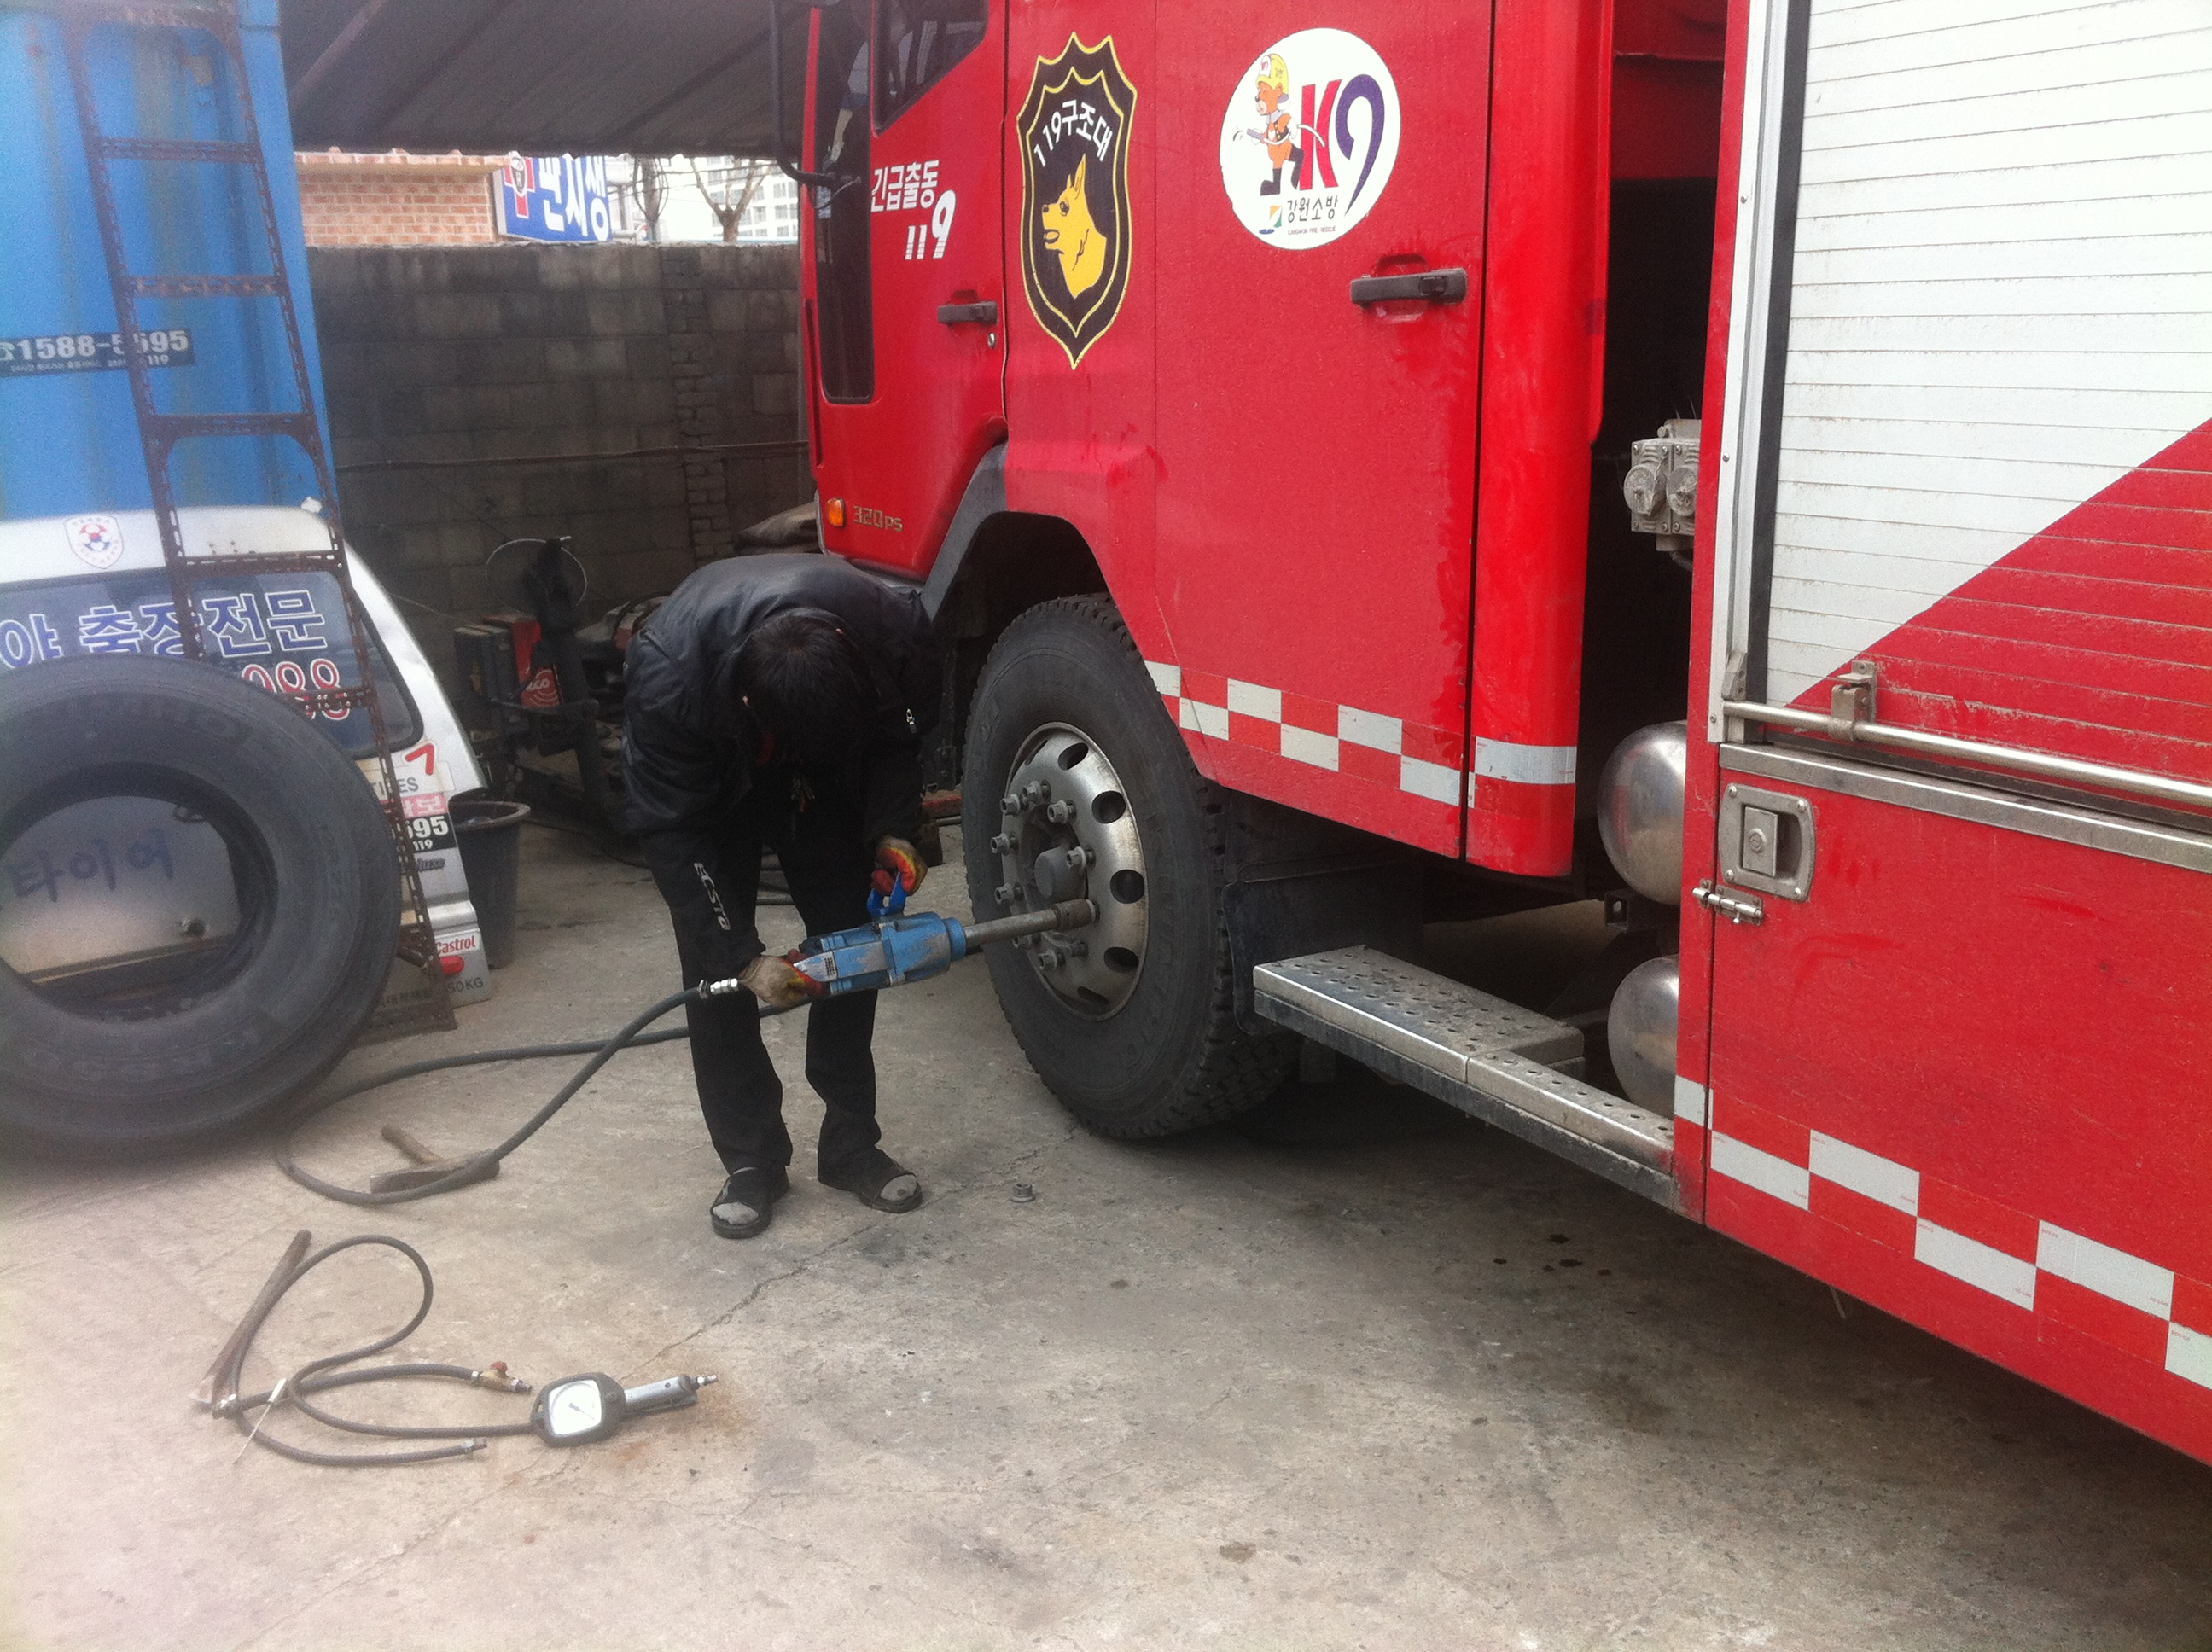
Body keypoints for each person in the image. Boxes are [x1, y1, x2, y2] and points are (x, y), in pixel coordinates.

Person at [621, 553, 940, 1239]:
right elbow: (670, 831)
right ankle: (751, 1157)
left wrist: (892, 830)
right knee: (714, 968)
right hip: (713, 774)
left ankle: (850, 1143)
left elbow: (900, 741)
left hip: (817, 763)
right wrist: (740, 955)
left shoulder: (895, 635)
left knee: (854, 940)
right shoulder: (669, 679)